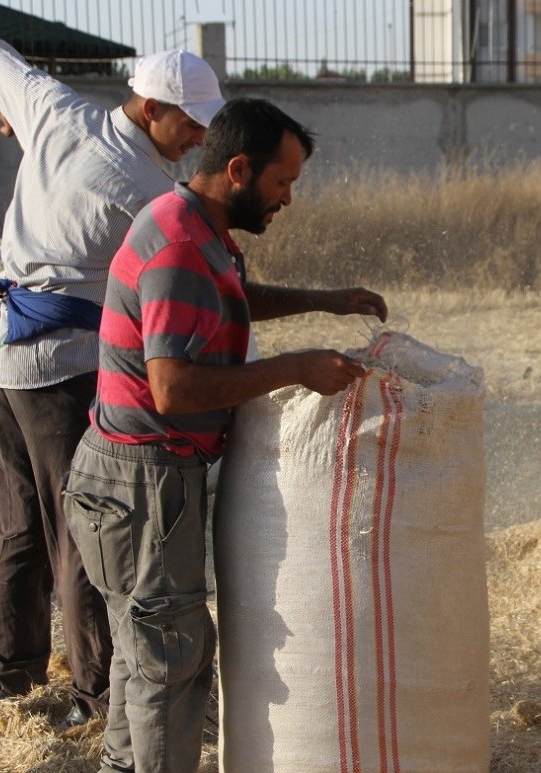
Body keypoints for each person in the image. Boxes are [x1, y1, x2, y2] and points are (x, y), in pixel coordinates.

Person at [63, 97, 387, 772]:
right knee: (169, 656)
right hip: (142, 483)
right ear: (238, 169)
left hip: (136, 479)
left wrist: (328, 300)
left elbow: (233, 298)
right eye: (281, 182)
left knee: (147, 649)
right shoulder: (181, 246)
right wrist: (293, 368)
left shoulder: (193, 226)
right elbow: (173, 388)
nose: (288, 199)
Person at [0, 37, 225, 727]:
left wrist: (8, 110)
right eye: (190, 122)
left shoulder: (55, 110)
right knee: (85, 527)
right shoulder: (144, 191)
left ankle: (9, 672)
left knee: (20, 520)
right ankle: (97, 691)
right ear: (151, 105)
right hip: (66, 366)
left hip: (5, 358)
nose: (197, 137)